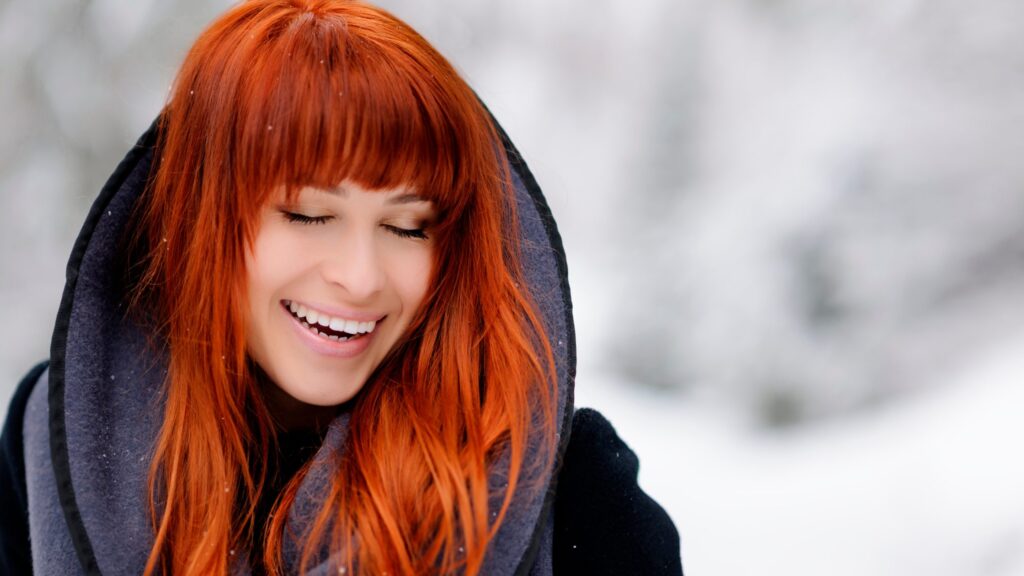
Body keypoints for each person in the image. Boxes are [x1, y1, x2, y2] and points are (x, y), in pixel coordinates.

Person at [0, 1, 682, 574]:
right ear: (197, 216)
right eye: (308, 215)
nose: (360, 277)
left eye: (409, 227)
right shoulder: (45, 450)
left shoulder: (572, 492)